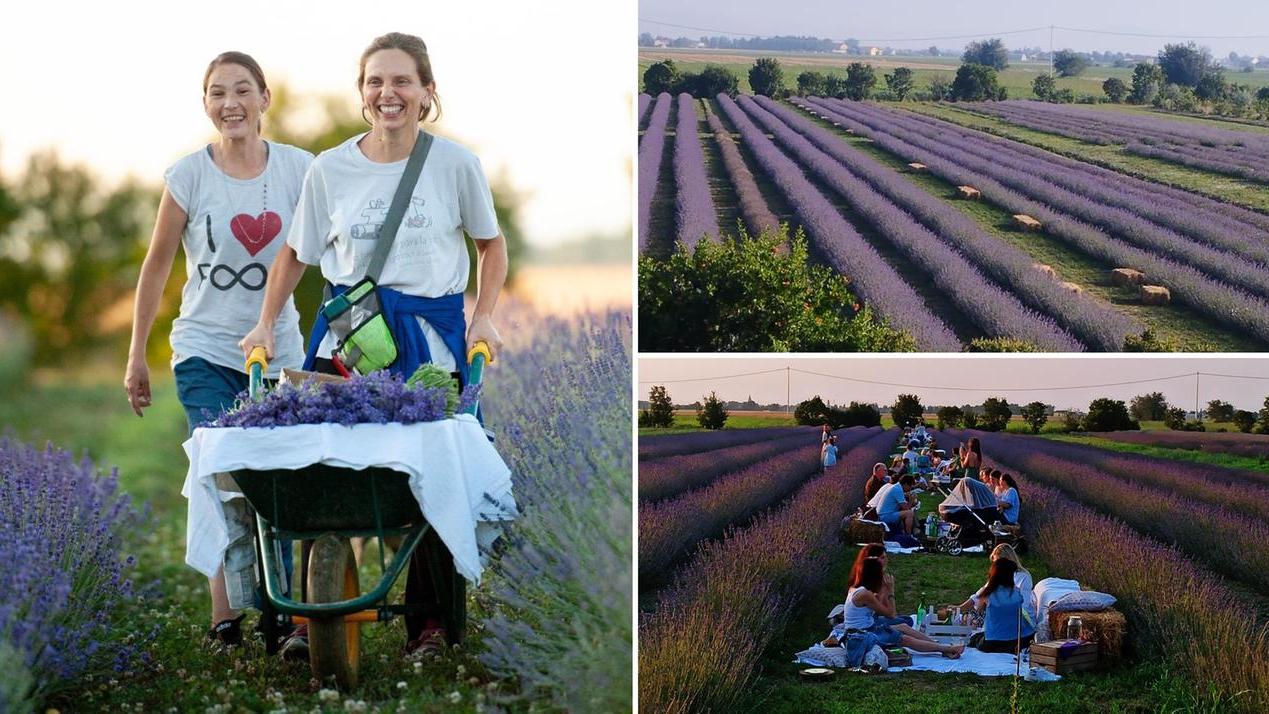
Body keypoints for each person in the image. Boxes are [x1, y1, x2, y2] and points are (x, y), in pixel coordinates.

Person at [240, 32, 509, 659]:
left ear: (427, 91)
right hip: (349, 338)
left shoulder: (456, 164)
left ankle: (430, 625)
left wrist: (484, 317)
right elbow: (295, 254)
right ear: (362, 92)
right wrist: (264, 324)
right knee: (322, 465)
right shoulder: (330, 169)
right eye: (375, 81)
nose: (388, 93)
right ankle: (312, 618)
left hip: (429, 338)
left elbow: (490, 245)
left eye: (402, 81)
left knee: (436, 468)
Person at [124, 51, 312, 651]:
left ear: (264, 98)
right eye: (216, 92)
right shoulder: (188, 175)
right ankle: (224, 618)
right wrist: (136, 354)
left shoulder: (300, 168)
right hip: (204, 349)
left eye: (241, 90)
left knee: (279, 477)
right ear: (205, 103)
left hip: (280, 350)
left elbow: (329, 248)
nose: (229, 103)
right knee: (219, 471)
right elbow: (157, 266)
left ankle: (285, 615)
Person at [839, 559, 963, 658]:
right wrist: (891, 591)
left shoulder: (860, 589)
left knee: (903, 626)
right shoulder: (864, 594)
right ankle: (946, 649)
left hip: (868, 628)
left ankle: (938, 646)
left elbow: (881, 607)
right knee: (904, 639)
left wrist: (884, 591)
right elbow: (891, 614)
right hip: (860, 635)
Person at [965, 558, 1035, 653]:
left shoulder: (987, 593)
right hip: (1022, 638)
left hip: (995, 640)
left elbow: (978, 609)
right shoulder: (1017, 592)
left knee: (975, 639)